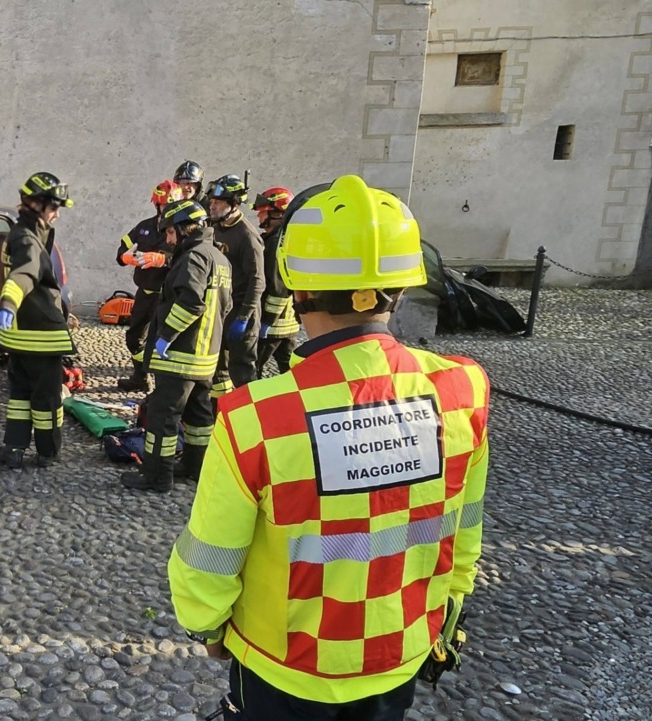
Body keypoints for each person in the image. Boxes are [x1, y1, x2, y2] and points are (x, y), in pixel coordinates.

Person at [168, 175, 489, 721]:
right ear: (404, 285)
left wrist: (208, 626)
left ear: (296, 288)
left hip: (283, 664)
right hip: (402, 651)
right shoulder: (463, 389)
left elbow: (210, 556)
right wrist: (450, 603)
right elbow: (465, 529)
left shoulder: (257, 415)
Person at [119, 199, 229, 492]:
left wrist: (166, 335)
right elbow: (224, 306)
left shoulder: (192, 257)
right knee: (199, 417)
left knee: (162, 416)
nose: (167, 240)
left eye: (169, 233)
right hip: (206, 357)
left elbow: (191, 303)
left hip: (180, 356)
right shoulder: (218, 258)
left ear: (183, 229)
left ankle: (157, 476)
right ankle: (195, 467)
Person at [0, 172, 75, 470]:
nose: (56, 214)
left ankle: (13, 449)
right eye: (54, 207)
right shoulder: (27, 239)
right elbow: (25, 273)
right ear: (36, 204)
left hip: (20, 336)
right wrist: (9, 302)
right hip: (41, 336)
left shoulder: (22, 232)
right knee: (47, 400)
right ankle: (47, 452)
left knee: (20, 397)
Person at [115, 179, 181, 392]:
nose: (165, 209)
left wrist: (165, 260)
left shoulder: (180, 231)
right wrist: (126, 257)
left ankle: (163, 387)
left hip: (168, 296)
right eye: (162, 205)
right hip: (145, 293)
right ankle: (140, 376)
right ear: (156, 205)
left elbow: (191, 258)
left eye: (169, 206)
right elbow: (122, 247)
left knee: (163, 342)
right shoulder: (144, 227)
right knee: (134, 338)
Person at [206, 174, 264, 396]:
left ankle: (254, 419)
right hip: (222, 312)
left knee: (242, 373)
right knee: (218, 368)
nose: (212, 207)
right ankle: (218, 410)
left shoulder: (247, 236)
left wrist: (243, 318)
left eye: (217, 203)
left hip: (242, 313)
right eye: (211, 202)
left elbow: (257, 281)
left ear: (233, 205)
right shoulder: (217, 228)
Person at [253, 187, 300, 375]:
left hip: (274, 327)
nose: (258, 217)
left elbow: (278, 288)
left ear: (278, 214)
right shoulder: (286, 238)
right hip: (289, 324)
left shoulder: (274, 244)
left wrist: (267, 322)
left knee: (252, 369)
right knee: (292, 373)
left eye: (263, 213)